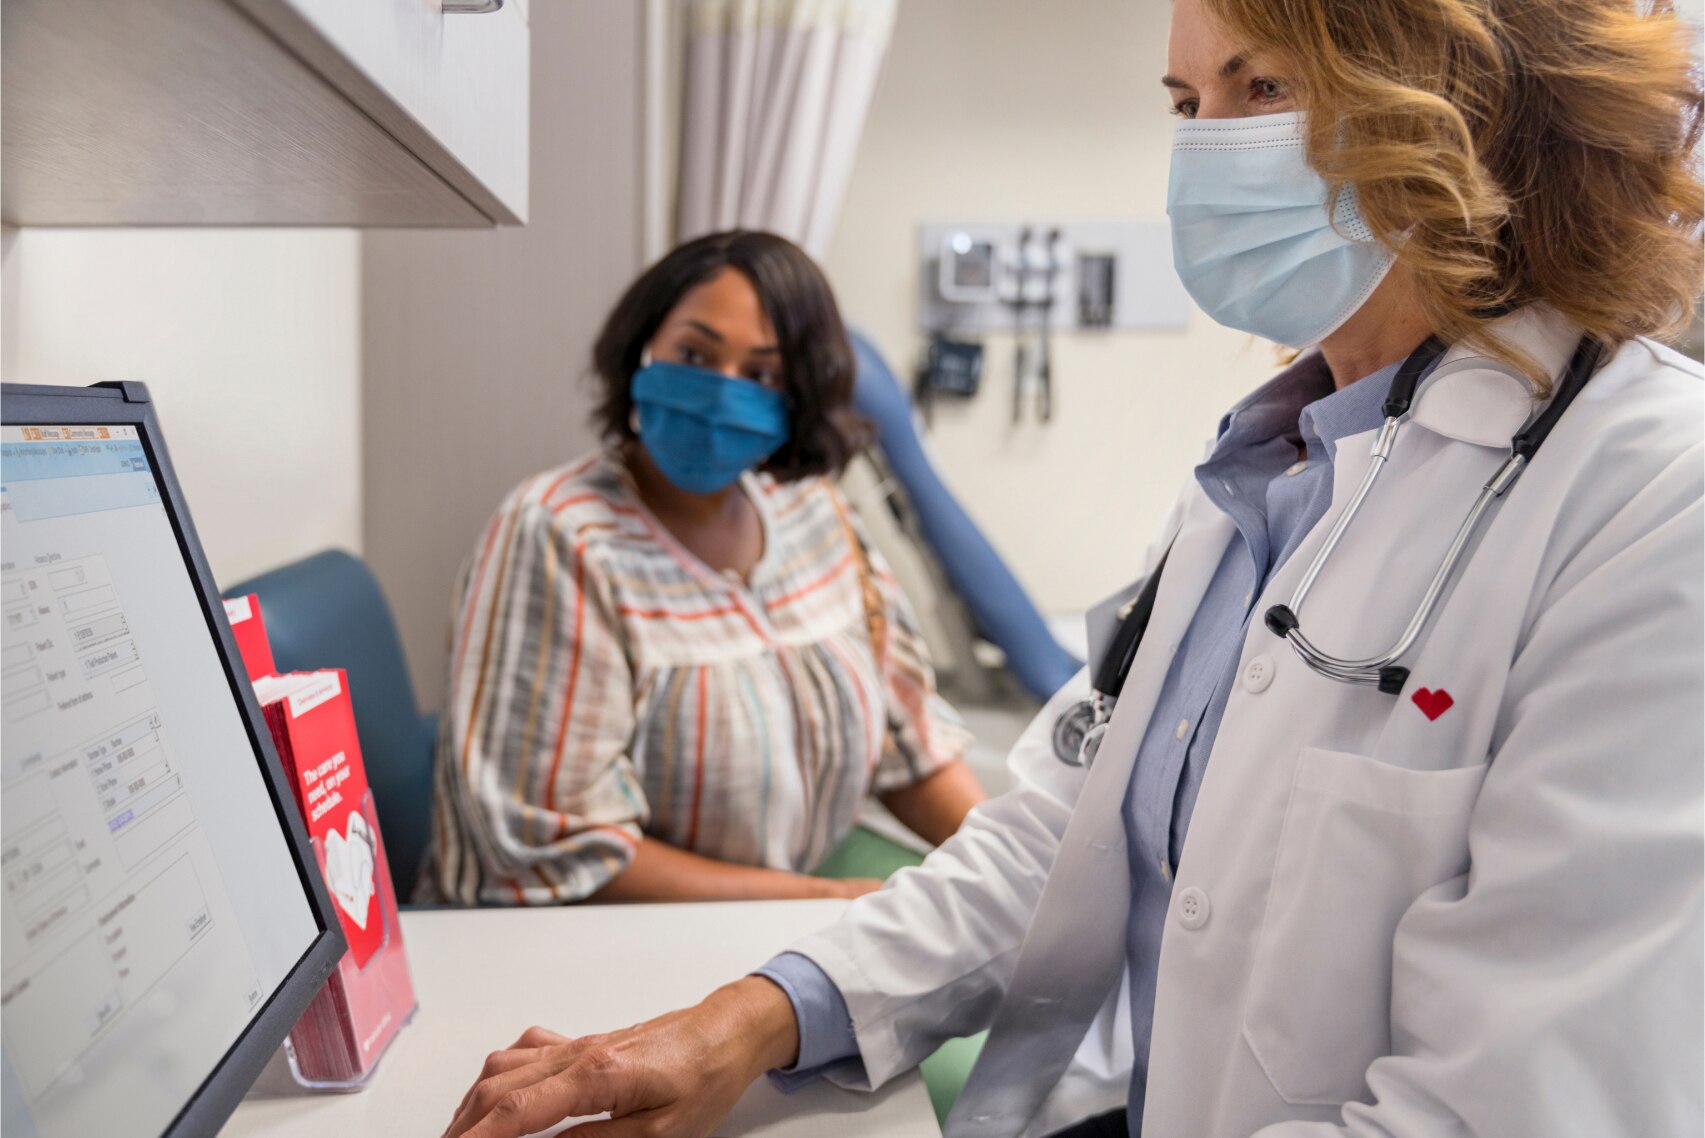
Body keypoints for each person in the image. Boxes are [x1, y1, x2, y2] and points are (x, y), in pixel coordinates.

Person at [440, 0, 1704, 1134]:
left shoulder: (1648, 494)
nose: (1205, 145)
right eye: (1185, 101)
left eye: (1261, 88)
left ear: (1458, 103)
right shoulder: (1272, 465)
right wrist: (754, 1013)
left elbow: (1509, 1105)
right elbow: (1064, 820)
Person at [421, 230, 985, 906]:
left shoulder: (815, 514)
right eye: (694, 354)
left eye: (761, 374)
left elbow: (908, 742)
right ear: (642, 347)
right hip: (603, 933)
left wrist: (1002, 861)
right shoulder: (559, 538)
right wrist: (820, 903)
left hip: (787, 904)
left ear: (798, 394)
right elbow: (555, 851)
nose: (720, 394)